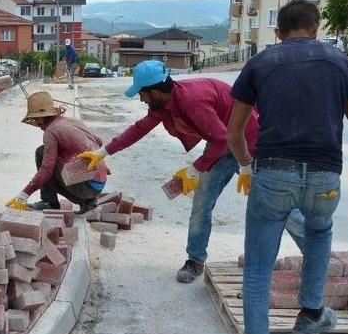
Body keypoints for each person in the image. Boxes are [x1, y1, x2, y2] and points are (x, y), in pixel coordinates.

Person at [226, 0, 348, 334]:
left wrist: (246, 167)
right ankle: (311, 314)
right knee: (319, 230)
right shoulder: (341, 63)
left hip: (273, 174)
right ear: (316, 27)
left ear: (278, 32)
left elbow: (234, 133)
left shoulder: (260, 63)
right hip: (325, 177)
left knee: (258, 267)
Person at [78, 60, 304, 283]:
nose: (141, 99)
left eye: (142, 93)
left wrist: (195, 169)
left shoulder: (191, 100)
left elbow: (223, 138)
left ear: (154, 92)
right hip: (221, 146)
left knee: (275, 203)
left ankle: (314, 256)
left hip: (251, 145)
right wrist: (102, 152)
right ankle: (195, 260)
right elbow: (139, 129)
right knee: (201, 204)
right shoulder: (163, 105)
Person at [6, 91, 109, 214]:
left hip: (86, 187)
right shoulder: (73, 121)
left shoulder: (51, 131)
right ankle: (89, 203)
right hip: (99, 184)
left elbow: (46, 169)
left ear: (43, 116)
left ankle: (49, 202)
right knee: (59, 157)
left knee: (41, 153)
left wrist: (24, 195)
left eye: (36, 119)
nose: (36, 123)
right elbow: (99, 141)